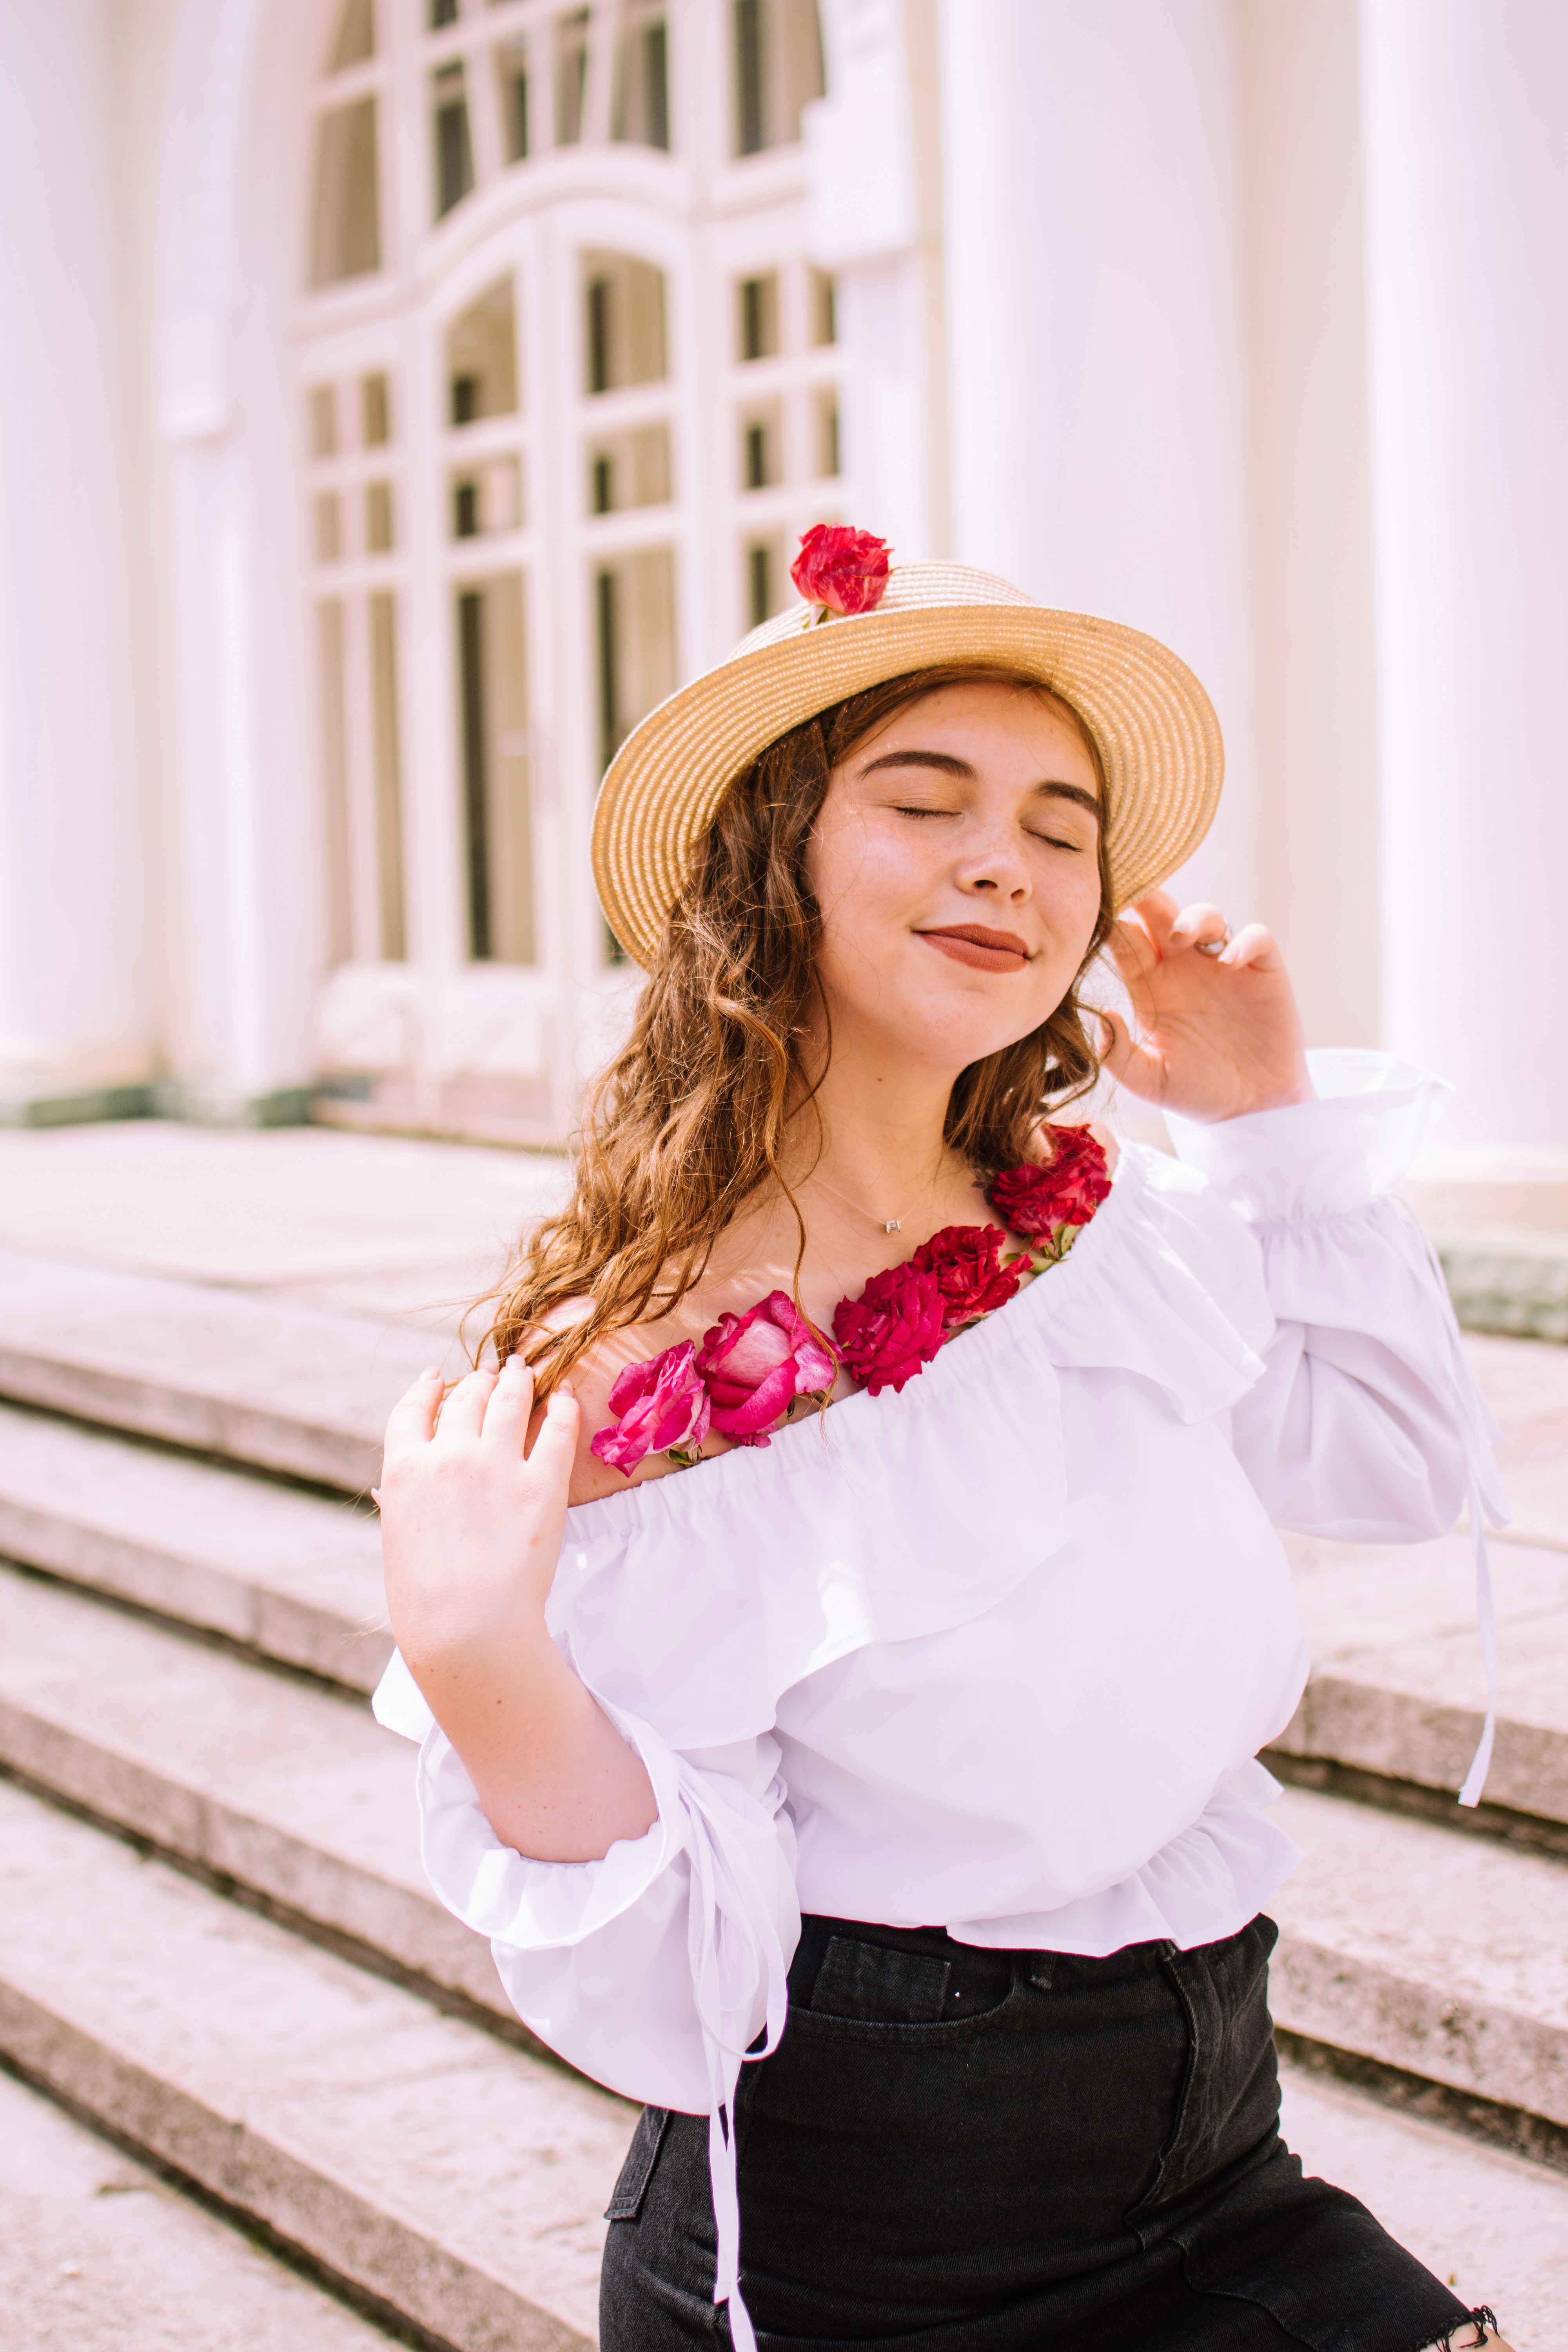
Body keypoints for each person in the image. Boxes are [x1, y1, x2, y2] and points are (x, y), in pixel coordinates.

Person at [374, 537, 1513, 2351]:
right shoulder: (637, 1391)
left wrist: (1268, 1130)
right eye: (926, 802)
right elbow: (689, 1988)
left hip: (1220, 2134)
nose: (1011, 860)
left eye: (1064, 829)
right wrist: (480, 1661)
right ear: (768, 863)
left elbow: (1394, 1466)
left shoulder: (1107, 1228)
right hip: (867, 2253)